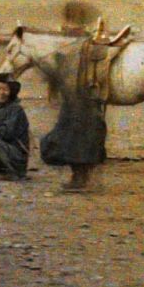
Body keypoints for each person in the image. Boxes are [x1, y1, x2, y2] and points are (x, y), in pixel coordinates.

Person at [39, 43, 108, 191]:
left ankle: (82, 179)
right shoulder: (71, 80)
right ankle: (81, 178)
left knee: (74, 140)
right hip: (78, 114)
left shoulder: (75, 82)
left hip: (81, 117)